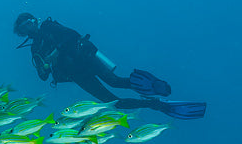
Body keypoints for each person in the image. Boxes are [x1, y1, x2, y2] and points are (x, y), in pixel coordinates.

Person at [13, 13, 206, 119]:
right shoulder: (35, 49)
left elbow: (72, 34)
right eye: (23, 29)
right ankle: (154, 104)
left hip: (86, 61)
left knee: (116, 82)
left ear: (34, 21)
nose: (28, 29)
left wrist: (56, 52)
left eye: (28, 24)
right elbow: (42, 76)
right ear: (22, 34)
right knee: (114, 103)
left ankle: (154, 86)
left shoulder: (49, 27)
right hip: (77, 76)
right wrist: (45, 68)